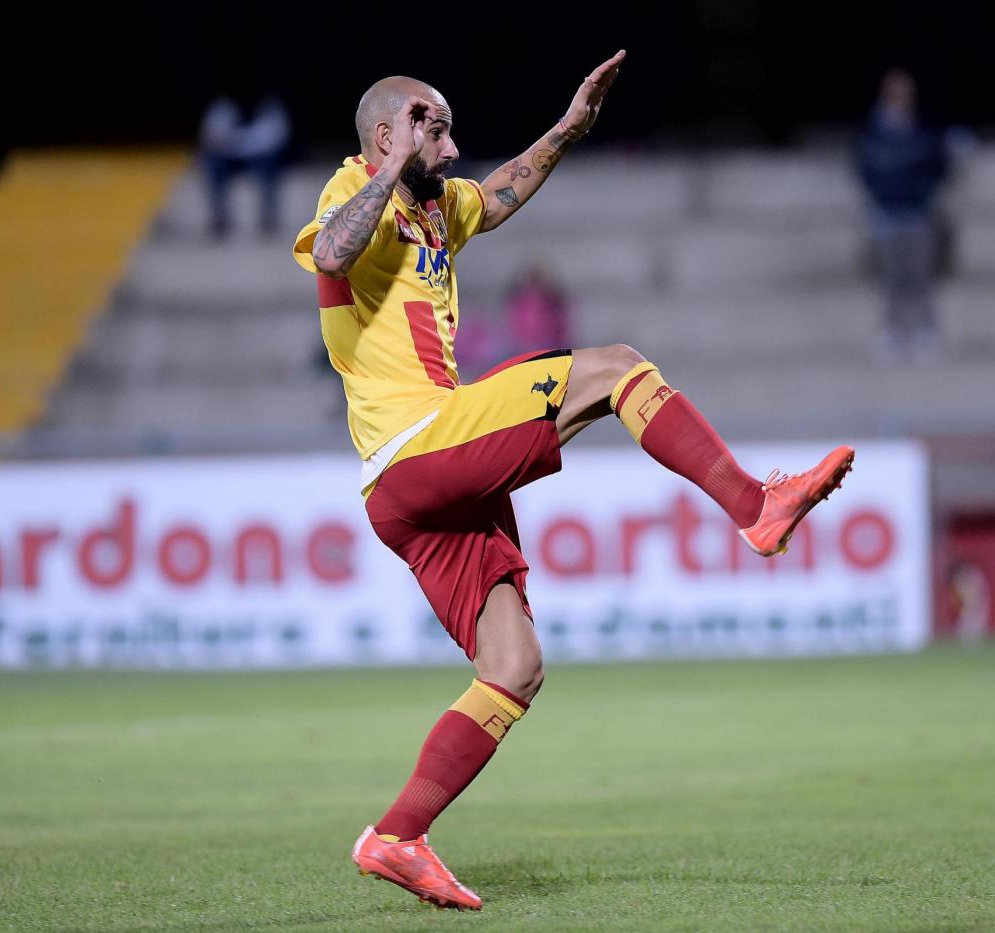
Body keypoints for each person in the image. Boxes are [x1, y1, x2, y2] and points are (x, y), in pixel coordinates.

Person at [291, 51, 854, 911]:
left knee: (514, 666)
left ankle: (397, 835)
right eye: (434, 130)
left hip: (413, 485)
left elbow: (499, 193)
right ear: (386, 133)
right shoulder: (351, 189)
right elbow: (331, 253)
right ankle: (756, 505)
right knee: (616, 367)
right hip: (415, 445)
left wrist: (568, 129)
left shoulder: (435, 210)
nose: (451, 148)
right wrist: (392, 166)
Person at [856, 68, 950, 362]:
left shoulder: (922, 129)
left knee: (921, 275)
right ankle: (892, 331)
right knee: (890, 277)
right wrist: (880, 196)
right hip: (886, 213)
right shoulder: (873, 133)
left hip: (917, 212)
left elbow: (939, 165)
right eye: (895, 93)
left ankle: (925, 329)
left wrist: (923, 190)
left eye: (905, 93)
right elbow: (864, 168)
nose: (901, 99)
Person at [200, 95, 290, 238]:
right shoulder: (222, 106)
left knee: (270, 163)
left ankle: (268, 217)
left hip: (260, 156)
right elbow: (213, 136)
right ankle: (220, 218)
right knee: (213, 162)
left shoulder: (269, 107)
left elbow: (276, 138)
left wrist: (242, 142)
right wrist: (235, 144)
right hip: (230, 156)